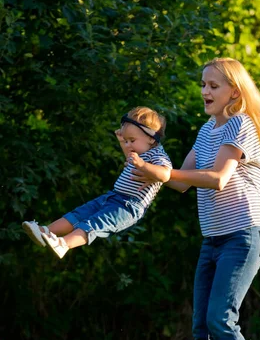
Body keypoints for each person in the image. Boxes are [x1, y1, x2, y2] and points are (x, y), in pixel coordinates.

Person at [130, 58, 260, 340]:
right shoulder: (206, 131)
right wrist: (143, 159)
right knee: (203, 324)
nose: (205, 91)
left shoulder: (241, 125)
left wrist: (164, 170)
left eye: (213, 86)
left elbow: (217, 178)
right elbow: (182, 182)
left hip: (243, 235)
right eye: (203, 84)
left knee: (221, 319)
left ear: (235, 91)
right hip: (213, 240)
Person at [21, 106, 172, 259]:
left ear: (152, 138)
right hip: (112, 197)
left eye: (132, 140)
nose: (128, 145)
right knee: (79, 214)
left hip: (128, 206)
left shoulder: (157, 155)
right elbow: (130, 157)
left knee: (94, 224)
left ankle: (64, 244)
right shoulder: (140, 152)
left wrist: (143, 165)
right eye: (126, 141)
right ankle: (45, 231)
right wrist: (123, 143)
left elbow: (165, 174)